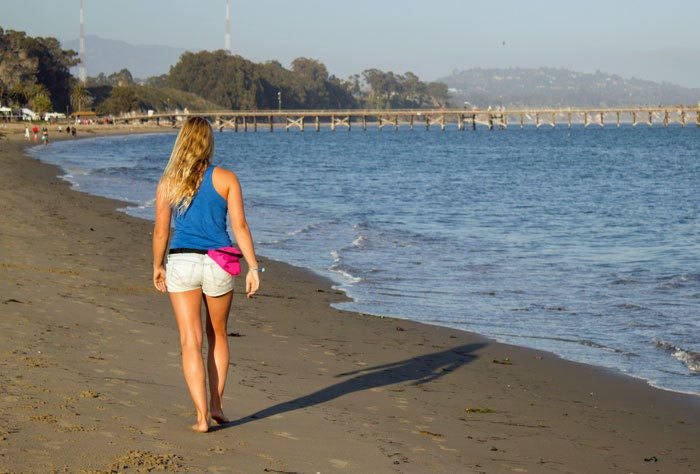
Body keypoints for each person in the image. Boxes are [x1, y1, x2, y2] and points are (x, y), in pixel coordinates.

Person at [152, 116, 261, 433]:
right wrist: (253, 267)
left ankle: (201, 417)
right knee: (217, 335)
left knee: (190, 341)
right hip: (218, 263)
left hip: (182, 262)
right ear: (208, 143)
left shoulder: (168, 182)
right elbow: (240, 227)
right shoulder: (226, 178)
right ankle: (216, 404)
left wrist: (157, 265)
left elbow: (161, 232)